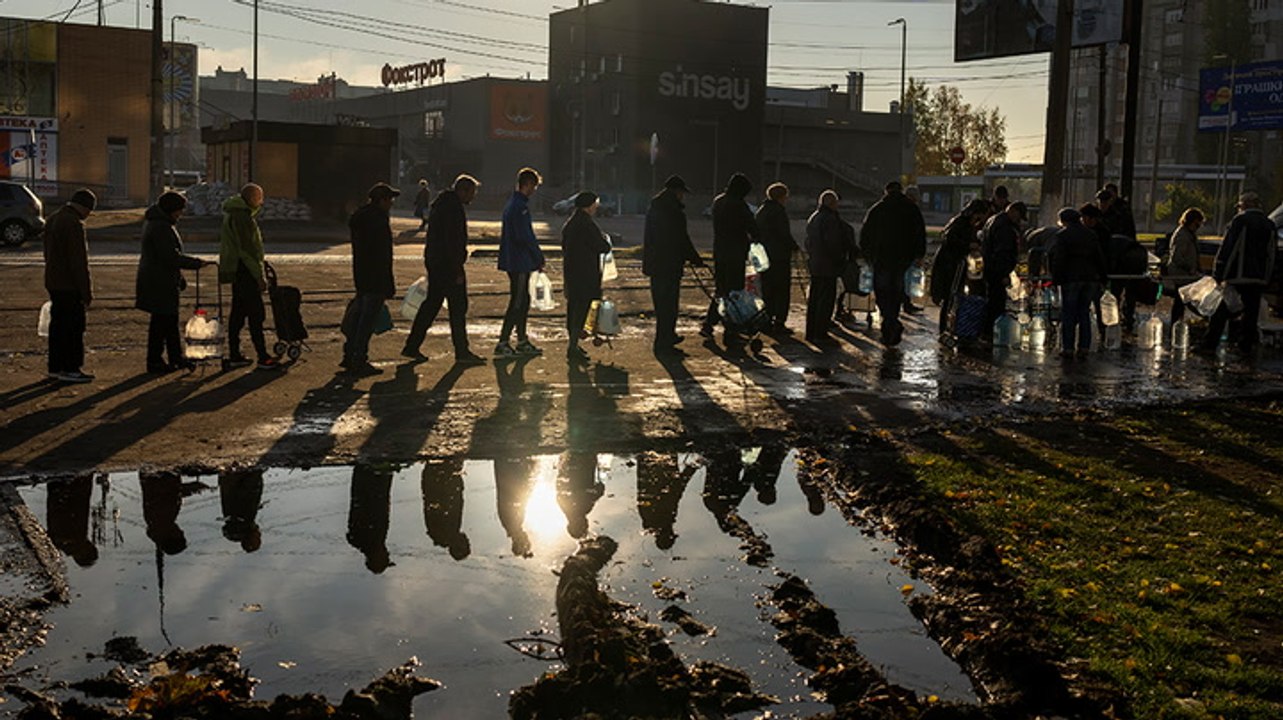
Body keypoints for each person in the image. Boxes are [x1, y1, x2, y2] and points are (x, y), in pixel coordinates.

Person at [402, 174, 486, 365]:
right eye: (472, 192)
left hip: (436, 262)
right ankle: (462, 352)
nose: (473, 197)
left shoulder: (441, 204)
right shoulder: (453, 208)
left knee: (431, 305)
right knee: (457, 308)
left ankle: (412, 345)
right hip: (448, 266)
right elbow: (452, 242)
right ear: (463, 190)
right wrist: (457, 269)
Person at [135, 191, 209, 374]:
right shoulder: (161, 227)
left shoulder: (158, 223)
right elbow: (170, 257)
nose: (181, 214)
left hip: (159, 280)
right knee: (163, 323)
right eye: (179, 210)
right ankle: (157, 361)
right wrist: (196, 263)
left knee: (166, 322)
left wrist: (180, 277)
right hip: (159, 282)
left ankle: (173, 358)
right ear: (171, 209)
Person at [1199, 192, 1277, 355]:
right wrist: (1267, 277)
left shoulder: (1240, 221)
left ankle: (1209, 344)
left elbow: (1229, 248)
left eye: (1240, 206)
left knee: (1222, 309)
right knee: (1251, 313)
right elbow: (1272, 254)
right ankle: (1245, 346)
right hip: (1259, 278)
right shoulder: (1269, 225)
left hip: (1237, 276)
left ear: (1245, 205)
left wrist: (1219, 272)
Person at [218, 183, 279, 370]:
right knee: (256, 314)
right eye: (260, 197)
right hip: (245, 270)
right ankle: (263, 356)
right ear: (252, 198)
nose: (262, 201)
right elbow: (247, 250)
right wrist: (259, 276)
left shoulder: (233, 213)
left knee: (238, 314)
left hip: (237, 269)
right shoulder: (242, 218)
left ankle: (235, 355)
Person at [860, 181, 927, 346]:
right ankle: (892, 321)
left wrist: (868, 256)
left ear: (886, 191)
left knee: (882, 292)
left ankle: (889, 323)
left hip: (881, 259)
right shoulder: (911, 209)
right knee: (896, 291)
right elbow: (920, 233)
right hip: (902, 259)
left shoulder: (877, 210)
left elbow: (865, 235)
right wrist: (919, 255)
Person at [342, 182, 399, 375]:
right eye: (389, 199)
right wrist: (388, 284)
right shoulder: (379, 221)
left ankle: (349, 355)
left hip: (362, 275)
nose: (391, 203)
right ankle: (359, 359)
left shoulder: (361, 218)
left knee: (358, 319)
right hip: (376, 278)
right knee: (366, 322)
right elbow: (384, 256)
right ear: (382, 200)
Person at [643, 175, 703, 355]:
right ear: (677, 192)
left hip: (656, 263)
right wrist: (695, 258)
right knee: (669, 304)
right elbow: (681, 239)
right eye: (682, 193)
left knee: (661, 304)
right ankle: (665, 341)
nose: (682, 196)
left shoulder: (655, 208)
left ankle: (666, 337)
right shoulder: (674, 212)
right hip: (669, 264)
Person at [44, 188, 96, 383]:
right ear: (85, 208)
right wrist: (86, 291)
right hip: (70, 285)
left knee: (57, 328)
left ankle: (55, 367)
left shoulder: (54, 218)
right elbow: (78, 262)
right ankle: (72, 368)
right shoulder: (74, 224)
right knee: (74, 329)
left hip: (54, 281)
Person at [700, 173, 759, 341]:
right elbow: (753, 228)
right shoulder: (739, 205)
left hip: (720, 252)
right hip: (736, 254)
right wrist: (755, 238)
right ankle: (730, 330)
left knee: (722, 290)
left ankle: (709, 324)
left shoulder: (718, 201)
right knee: (734, 293)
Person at [496, 167, 546, 358]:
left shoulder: (514, 204)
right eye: (534, 186)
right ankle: (504, 341)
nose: (534, 190)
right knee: (517, 302)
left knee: (522, 301)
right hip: (519, 262)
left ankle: (521, 339)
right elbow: (525, 236)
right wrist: (538, 256)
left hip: (515, 260)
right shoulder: (520, 207)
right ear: (527, 184)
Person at [1049, 207, 1108, 359]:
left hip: (1070, 279)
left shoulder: (1062, 236)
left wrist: (1055, 279)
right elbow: (1099, 257)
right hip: (1089, 279)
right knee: (1084, 313)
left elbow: (1058, 260)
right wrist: (1102, 278)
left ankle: (1068, 347)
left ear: (1063, 221)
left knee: (1068, 313)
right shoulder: (1091, 234)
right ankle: (1084, 347)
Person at [561, 191, 611, 365]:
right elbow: (602, 246)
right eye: (595, 205)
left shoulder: (570, 223)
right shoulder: (587, 224)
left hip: (572, 273)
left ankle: (573, 345)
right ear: (589, 206)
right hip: (586, 275)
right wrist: (605, 240)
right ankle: (573, 348)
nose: (596, 208)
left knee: (573, 310)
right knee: (581, 311)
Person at [932, 199, 989, 337]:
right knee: (949, 297)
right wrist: (968, 245)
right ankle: (944, 329)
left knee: (953, 297)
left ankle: (948, 327)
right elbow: (950, 239)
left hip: (954, 263)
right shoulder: (961, 223)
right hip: (949, 264)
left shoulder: (964, 223)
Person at [980, 200, 1027, 341]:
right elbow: (1003, 253)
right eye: (1019, 216)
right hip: (997, 271)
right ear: (1013, 211)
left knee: (991, 301)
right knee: (997, 304)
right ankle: (991, 334)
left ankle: (986, 332)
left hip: (989, 268)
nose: (1019, 220)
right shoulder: (1005, 228)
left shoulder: (993, 220)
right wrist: (1004, 274)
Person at [805, 190, 847, 343]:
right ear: (831, 203)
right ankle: (821, 332)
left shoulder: (814, 217)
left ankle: (811, 331)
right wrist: (840, 259)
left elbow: (808, 242)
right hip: (828, 265)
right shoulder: (830, 219)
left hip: (816, 263)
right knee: (826, 299)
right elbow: (833, 243)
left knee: (815, 299)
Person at [755, 182, 795, 333]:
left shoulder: (761, 210)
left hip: (764, 256)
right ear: (782, 196)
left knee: (767, 288)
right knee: (782, 289)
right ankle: (779, 321)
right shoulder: (779, 212)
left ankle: (767, 318)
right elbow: (783, 233)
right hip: (779, 256)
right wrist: (794, 246)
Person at [1164, 207, 1204, 326]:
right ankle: (1176, 324)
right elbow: (1178, 257)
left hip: (1184, 273)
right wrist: (1190, 268)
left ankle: (1177, 323)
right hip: (1181, 274)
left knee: (1181, 300)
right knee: (1181, 299)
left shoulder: (1188, 234)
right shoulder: (1183, 236)